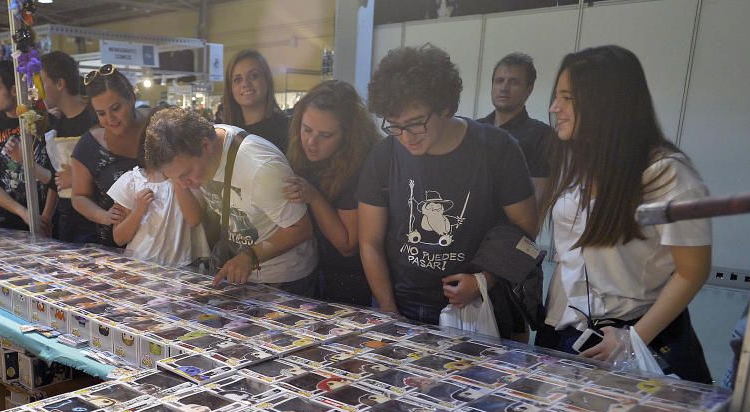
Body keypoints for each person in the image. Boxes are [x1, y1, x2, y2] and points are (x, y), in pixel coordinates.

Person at [535, 45, 712, 383]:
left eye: (567, 97)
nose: (554, 108)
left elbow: (693, 271)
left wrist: (634, 339)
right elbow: (573, 261)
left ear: (607, 104)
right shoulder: (585, 165)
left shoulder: (667, 175)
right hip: (572, 334)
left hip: (637, 339)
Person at [357, 45, 537, 334]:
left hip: (477, 308)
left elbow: (526, 229)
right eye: (394, 126)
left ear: (445, 106)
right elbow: (369, 242)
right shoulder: (384, 154)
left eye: (415, 124)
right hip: (401, 301)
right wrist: (388, 308)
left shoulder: (496, 149)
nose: (406, 138)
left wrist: (484, 280)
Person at [144, 107, 318, 295]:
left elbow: (301, 228)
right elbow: (194, 217)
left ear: (206, 146)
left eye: (185, 175)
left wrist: (250, 256)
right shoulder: (194, 154)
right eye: (174, 178)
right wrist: (179, 178)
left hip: (284, 278)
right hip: (240, 271)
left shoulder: (262, 169)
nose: (183, 184)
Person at [283, 80, 378, 306]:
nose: (311, 142)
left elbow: (347, 245)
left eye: (325, 136)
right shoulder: (301, 154)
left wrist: (313, 196)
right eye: (306, 130)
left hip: (354, 283)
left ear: (348, 135)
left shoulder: (361, 167)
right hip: (314, 272)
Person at [70, 64, 149, 247]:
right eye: (101, 113)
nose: (110, 119)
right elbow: (79, 196)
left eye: (115, 108)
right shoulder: (90, 145)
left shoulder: (157, 126)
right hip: (115, 249)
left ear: (131, 98)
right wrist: (103, 216)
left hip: (166, 244)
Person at [0, 59, 55, 231]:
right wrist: (23, 212)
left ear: (15, 90)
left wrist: (46, 216)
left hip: (48, 220)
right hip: (8, 220)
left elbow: (55, 175)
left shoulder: (44, 122)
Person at [478, 52, 553, 204]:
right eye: (499, 81)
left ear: (529, 89)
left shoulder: (542, 135)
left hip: (509, 225)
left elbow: (537, 200)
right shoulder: (476, 128)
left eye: (514, 82)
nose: (504, 88)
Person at [40, 51, 99, 242]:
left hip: (95, 222)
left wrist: (76, 178)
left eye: (42, 82)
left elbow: (113, 169)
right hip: (65, 220)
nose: (38, 89)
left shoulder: (95, 118)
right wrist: (46, 217)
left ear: (60, 84)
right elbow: (55, 178)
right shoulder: (57, 124)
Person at [107, 162, 209, 267]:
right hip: (139, 267)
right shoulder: (132, 180)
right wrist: (138, 210)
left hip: (181, 267)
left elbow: (194, 220)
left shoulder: (190, 180)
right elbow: (119, 238)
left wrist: (175, 176)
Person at [219, 49, 289, 151]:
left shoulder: (288, 130)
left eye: (254, 76)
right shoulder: (227, 134)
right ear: (230, 89)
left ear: (267, 80)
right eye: (237, 80)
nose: (245, 84)